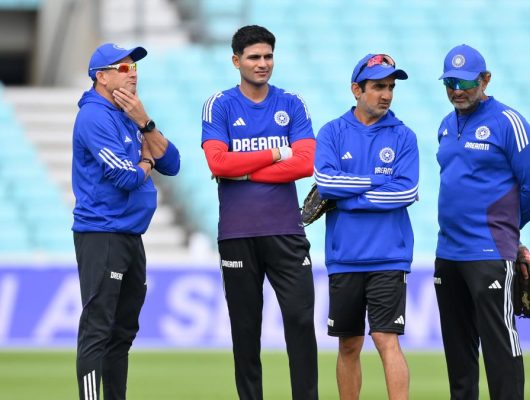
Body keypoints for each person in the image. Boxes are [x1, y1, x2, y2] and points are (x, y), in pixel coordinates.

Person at [201, 25, 318, 400]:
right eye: (254, 57)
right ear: (236, 61)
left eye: (268, 56)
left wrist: (245, 170)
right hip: (237, 233)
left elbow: (306, 163)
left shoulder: (292, 103)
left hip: (286, 230)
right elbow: (218, 163)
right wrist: (276, 153)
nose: (262, 63)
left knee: (300, 319)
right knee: (246, 329)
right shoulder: (219, 105)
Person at [433, 44, 530, 400]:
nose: (457, 90)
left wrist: (507, 232)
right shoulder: (445, 125)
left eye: (466, 82)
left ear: (485, 80)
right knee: (458, 357)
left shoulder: (509, 122)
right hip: (448, 253)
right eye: (450, 82)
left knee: (500, 349)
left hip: (489, 254)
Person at [72, 42, 181, 400]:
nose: (132, 73)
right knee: (98, 329)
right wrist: (146, 162)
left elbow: (173, 163)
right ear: (101, 77)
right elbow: (126, 177)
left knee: (122, 332)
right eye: (123, 68)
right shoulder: (94, 116)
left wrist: (145, 123)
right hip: (102, 233)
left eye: (134, 67)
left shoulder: (129, 113)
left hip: (130, 235)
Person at [314, 53, 419, 400]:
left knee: (386, 339)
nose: (386, 94)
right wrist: (377, 181)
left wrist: (350, 197)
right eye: (378, 87)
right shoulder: (332, 132)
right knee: (349, 344)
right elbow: (326, 183)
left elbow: (406, 192)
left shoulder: (404, 136)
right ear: (356, 89)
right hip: (345, 256)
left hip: (389, 256)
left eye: (390, 87)